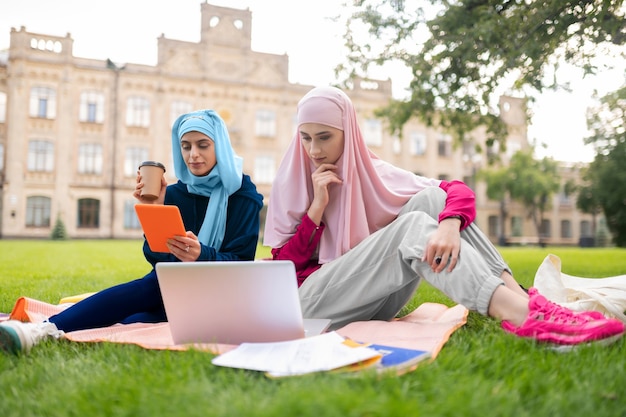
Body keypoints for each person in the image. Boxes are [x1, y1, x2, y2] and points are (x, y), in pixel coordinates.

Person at [263, 86, 624, 348]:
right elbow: (281, 268)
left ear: (349, 133)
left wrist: (450, 225)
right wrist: (316, 211)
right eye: (306, 138)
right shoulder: (292, 181)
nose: (313, 150)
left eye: (324, 137)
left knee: (432, 198)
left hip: (369, 301)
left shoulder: (371, 173)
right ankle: (521, 313)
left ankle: (524, 299)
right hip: (308, 305)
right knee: (412, 228)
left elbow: (457, 191)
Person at [0, 110, 264, 354]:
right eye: (185, 146)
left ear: (221, 146)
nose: (192, 154)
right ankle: (47, 330)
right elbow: (158, 259)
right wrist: (155, 210)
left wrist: (201, 255)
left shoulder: (243, 194)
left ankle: (42, 329)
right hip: (173, 292)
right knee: (130, 319)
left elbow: (240, 263)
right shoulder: (173, 193)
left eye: (202, 145)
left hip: (221, 297)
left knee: (150, 288)